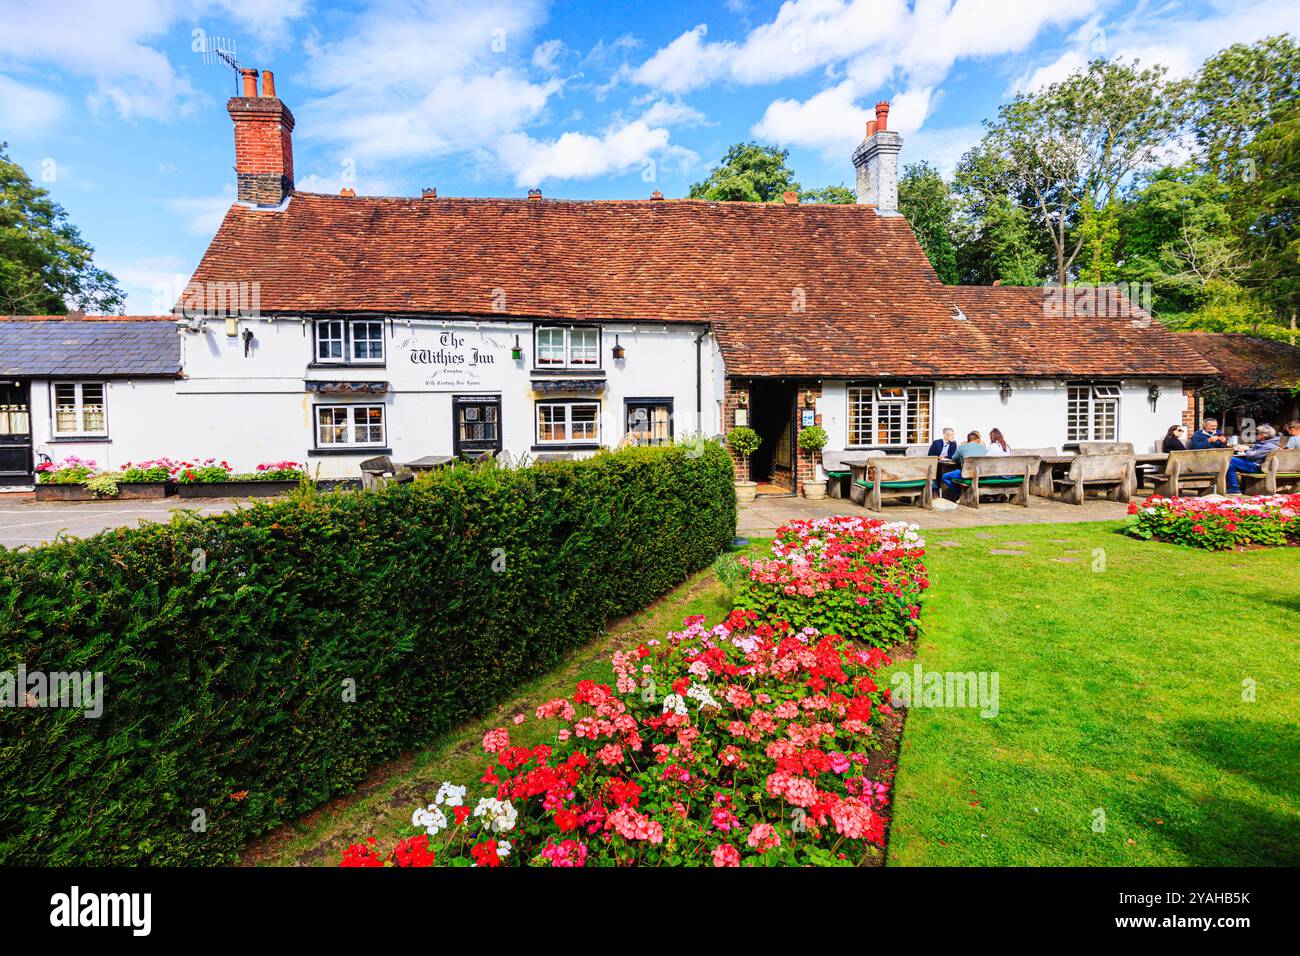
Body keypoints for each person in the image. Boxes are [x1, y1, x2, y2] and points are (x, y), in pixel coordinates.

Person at [1226, 424, 1280, 494]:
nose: (1255, 435)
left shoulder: (1269, 446)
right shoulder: (1266, 443)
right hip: (1255, 464)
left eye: (1257, 433)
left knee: (1229, 458)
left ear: (1263, 435)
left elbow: (1251, 456)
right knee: (1230, 466)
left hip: (1258, 467)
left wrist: (1246, 449)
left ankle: (1234, 489)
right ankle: (1234, 489)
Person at [941, 431, 986, 496]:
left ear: (968, 440)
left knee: (945, 477)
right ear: (977, 439)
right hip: (981, 475)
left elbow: (954, 458)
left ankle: (961, 494)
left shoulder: (962, 447)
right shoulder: (983, 448)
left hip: (967, 474)